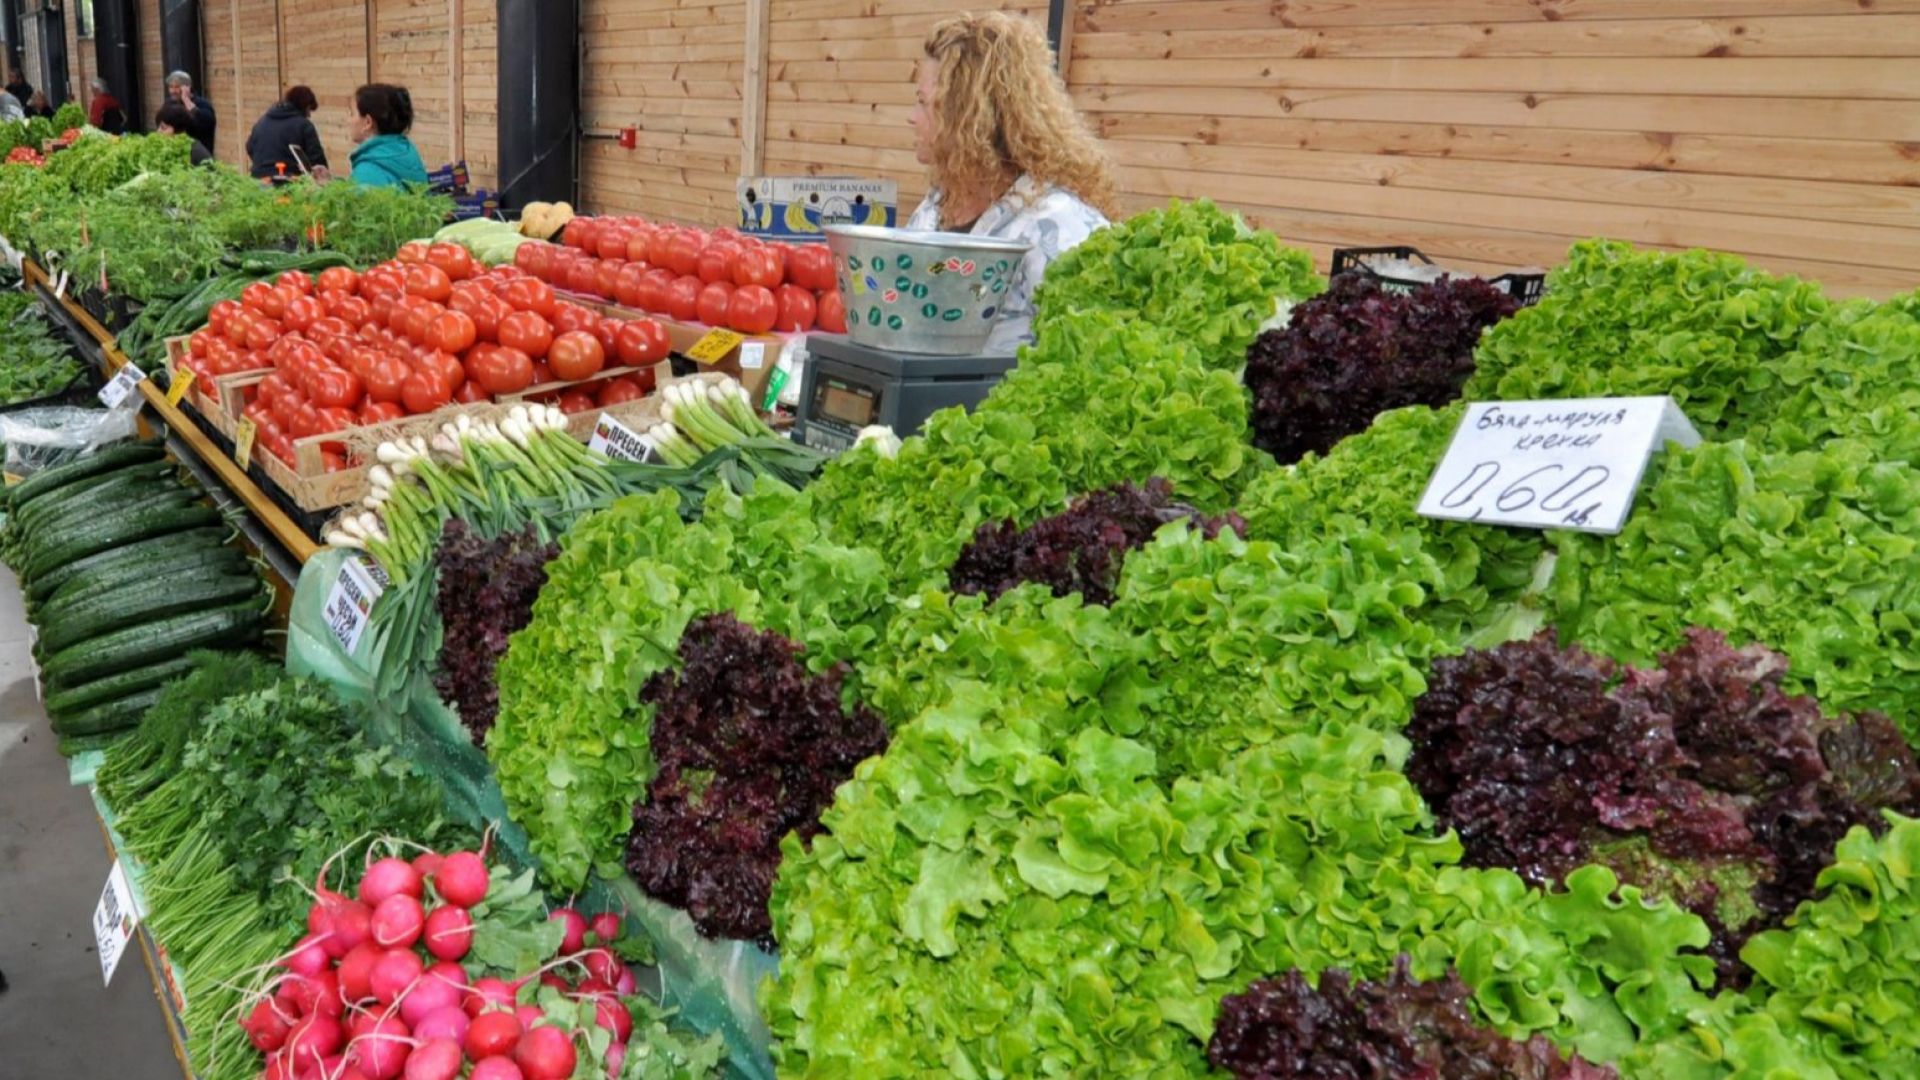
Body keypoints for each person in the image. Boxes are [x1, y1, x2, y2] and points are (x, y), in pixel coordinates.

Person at [904, 11, 1116, 353]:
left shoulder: (1058, 229)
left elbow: (1090, 360)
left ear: (970, 118)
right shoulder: (935, 207)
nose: (912, 118)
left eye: (925, 104)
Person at [346, 84, 426, 189]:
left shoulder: (367, 172)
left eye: (352, 113)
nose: (348, 120)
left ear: (368, 122)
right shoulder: (406, 152)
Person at [247, 85, 330, 182]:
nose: (309, 115)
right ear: (304, 106)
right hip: (289, 183)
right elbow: (318, 161)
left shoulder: (261, 122)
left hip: (258, 181)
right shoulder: (304, 125)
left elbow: (250, 148)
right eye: (309, 109)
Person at [163, 71, 216, 154]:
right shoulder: (169, 104)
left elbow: (207, 122)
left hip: (198, 155)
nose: (173, 91)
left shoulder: (202, 104)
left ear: (187, 87)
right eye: (171, 87)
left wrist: (186, 100)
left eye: (177, 87)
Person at [156, 101, 213, 166]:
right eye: (158, 127)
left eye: (163, 128)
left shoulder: (195, 152)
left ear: (179, 130)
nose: (158, 132)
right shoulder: (169, 148)